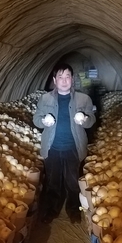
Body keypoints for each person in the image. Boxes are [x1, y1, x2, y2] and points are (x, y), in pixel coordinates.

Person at [33, 63, 96, 223]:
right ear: (55, 80)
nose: (64, 80)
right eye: (60, 77)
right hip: (52, 147)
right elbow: (36, 119)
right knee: (53, 182)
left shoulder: (84, 99)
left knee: (73, 183)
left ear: (72, 79)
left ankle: (73, 211)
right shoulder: (45, 99)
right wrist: (43, 121)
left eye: (67, 76)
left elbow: (91, 120)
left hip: (73, 147)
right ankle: (51, 211)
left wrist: (85, 119)